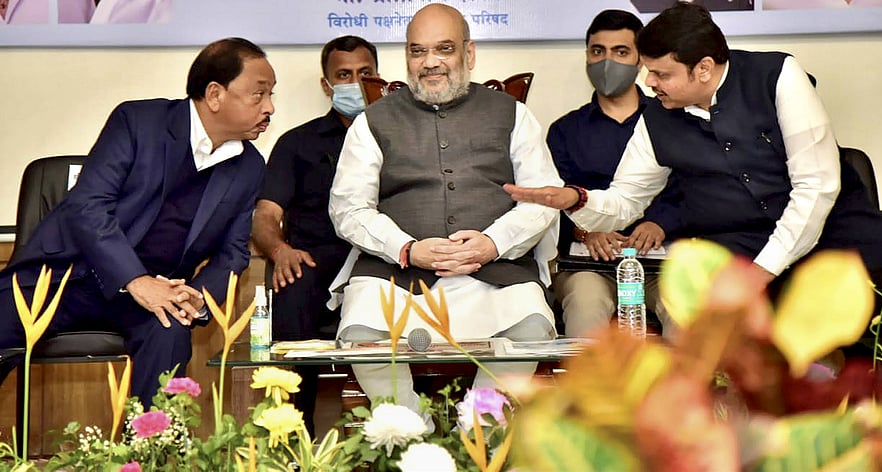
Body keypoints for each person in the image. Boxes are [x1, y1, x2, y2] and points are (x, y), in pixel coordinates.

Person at [505, 2, 882, 311]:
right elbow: (627, 198)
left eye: (661, 74)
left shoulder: (778, 76)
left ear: (704, 69)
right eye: (648, 71)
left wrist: (762, 272)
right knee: (732, 346)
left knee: (870, 341)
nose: (649, 83)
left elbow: (816, 188)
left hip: (836, 237)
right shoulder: (656, 117)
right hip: (738, 251)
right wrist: (577, 198)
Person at [0, 37, 275, 407]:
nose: (270, 107)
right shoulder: (139, 122)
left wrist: (194, 297)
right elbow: (89, 206)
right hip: (69, 277)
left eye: (271, 95)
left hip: (153, 298)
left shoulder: (249, 166)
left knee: (171, 331)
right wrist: (134, 279)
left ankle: (147, 451)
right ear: (214, 95)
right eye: (258, 95)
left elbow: (233, 252)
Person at [328, 4, 562, 415]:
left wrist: (492, 243)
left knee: (529, 328)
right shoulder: (373, 121)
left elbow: (543, 198)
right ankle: (407, 432)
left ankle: (477, 432)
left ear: (468, 54)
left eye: (444, 49)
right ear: (407, 57)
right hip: (396, 275)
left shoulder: (513, 115)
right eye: (418, 52)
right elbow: (348, 207)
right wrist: (406, 248)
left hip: (493, 274)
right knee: (362, 334)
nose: (430, 63)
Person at [251, 35, 378, 435]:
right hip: (314, 260)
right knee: (293, 287)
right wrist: (279, 249)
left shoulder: (403, 136)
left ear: (378, 78)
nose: (355, 83)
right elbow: (265, 214)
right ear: (327, 85)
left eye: (365, 74)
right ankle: (293, 437)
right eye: (344, 75)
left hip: (383, 259)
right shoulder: (296, 143)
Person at [549, 9, 681, 338]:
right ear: (587, 57)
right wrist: (585, 232)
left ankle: (685, 390)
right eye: (598, 52)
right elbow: (552, 200)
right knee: (585, 303)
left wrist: (659, 223)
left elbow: (690, 189)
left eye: (621, 52)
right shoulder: (565, 130)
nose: (607, 62)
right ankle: (586, 391)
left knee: (684, 306)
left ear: (640, 61)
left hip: (660, 261)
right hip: (590, 264)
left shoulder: (672, 120)